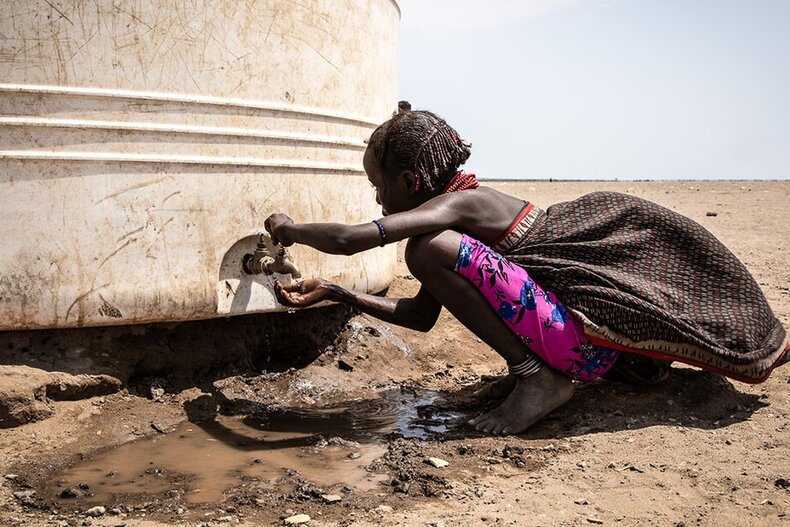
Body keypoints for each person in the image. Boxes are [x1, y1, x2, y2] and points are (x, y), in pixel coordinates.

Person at [263, 104, 789, 435]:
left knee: (422, 252)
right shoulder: (454, 222)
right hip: (586, 349)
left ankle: (537, 381)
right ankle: (535, 374)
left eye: (378, 184)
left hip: (579, 351)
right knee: (426, 254)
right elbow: (423, 316)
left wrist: (289, 229)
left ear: (410, 178)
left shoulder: (460, 209)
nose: (377, 197)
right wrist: (337, 292)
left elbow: (353, 240)